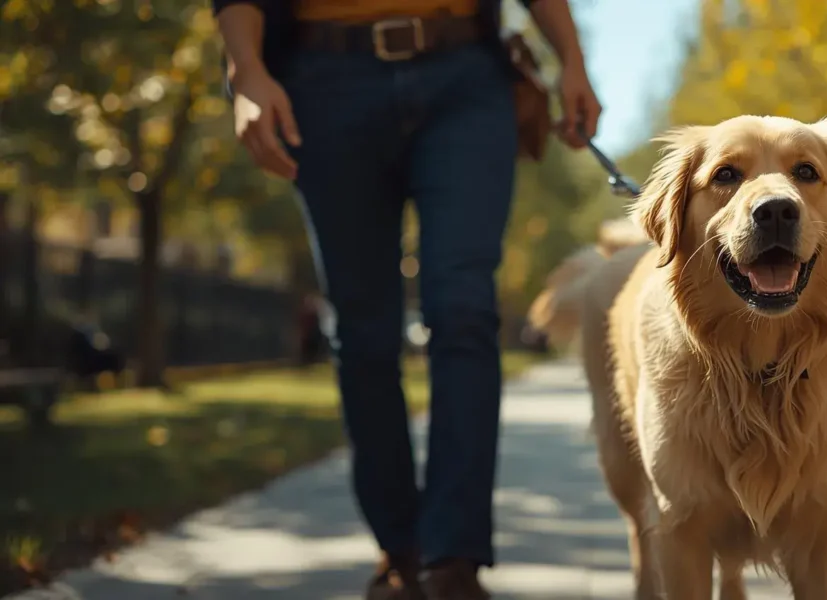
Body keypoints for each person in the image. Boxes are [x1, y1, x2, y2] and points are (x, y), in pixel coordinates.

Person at [209, 1, 601, 598]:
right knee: (362, 330)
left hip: (464, 73)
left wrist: (571, 58)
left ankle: (453, 561)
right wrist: (246, 71)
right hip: (325, 78)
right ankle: (400, 551)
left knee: (464, 310)